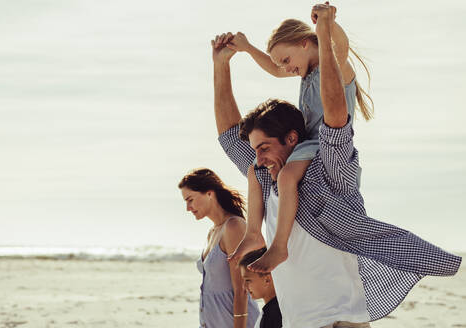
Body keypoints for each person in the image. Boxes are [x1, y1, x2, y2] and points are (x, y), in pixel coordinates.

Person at [210, 3, 461, 328]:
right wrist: (222, 65)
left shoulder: (330, 167)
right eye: (256, 150)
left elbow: (335, 113)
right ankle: (260, 238)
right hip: (298, 323)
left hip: (339, 322)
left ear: (290, 138)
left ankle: (277, 246)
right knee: (254, 172)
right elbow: (231, 136)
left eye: (264, 147)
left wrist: (325, 30)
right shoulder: (267, 176)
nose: (258, 157)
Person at [219, 4, 373, 272]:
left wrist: (326, 24)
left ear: (305, 44)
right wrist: (247, 48)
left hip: (323, 143)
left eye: (287, 60)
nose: (285, 69)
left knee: (288, 177)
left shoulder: (333, 65)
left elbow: (340, 46)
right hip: (305, 146)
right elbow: (274, 69)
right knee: (255, 172)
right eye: (283, 64)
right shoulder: (304, 70)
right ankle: (254, 233)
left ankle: (279, 246)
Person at [178, 168, 260, 328]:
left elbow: (241, 289)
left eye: (190, 200)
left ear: (209, 193)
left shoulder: (233, 226)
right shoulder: (212, 232)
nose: (188, 208)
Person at [239, 248, 282, 328]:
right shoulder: (275, 310)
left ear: (267, 279)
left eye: (248, 280)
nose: (244, 286)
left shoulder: (272, 317)